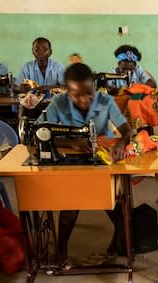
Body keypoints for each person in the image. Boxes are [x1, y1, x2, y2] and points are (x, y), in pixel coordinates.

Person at [37, 63, 134, 266]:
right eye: (76, 95)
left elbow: (126, 130)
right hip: (71, 160)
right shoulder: (58, 103)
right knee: (70, 205)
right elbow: (41, 132)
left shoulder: (106, 101)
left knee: (114, 203)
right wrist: (72, 141)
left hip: (101, 158)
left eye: (88, 93)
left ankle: (119, 241)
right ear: (67, 91)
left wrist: (120, 143)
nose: (84, 99)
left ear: (94, 87)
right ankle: (61, 249)